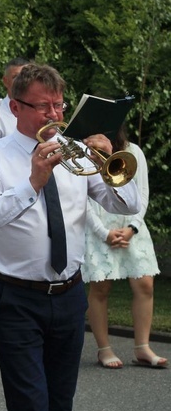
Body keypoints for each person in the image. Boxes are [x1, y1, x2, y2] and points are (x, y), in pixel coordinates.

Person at [0, 63, 141, 411]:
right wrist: (32, 183)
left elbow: (129, 205)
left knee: (58, 410)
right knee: (30, 410)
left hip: (68, 294)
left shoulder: (76, 154)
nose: (54, 116)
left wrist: (110, 159)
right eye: (43, 107)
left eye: (59, 106)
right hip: (15, 297)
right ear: (15, 108)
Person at [83, 127, 165, 369]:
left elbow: (142, 194)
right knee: (100, 288)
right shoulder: (85, 153)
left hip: (131, 227)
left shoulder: (133, 151)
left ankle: (142, 347)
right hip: (100, 228)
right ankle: (104, 349)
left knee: (145, 284)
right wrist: (103, 232)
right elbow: (83, 198)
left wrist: (132, 227)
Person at [0, 58, 30, 139]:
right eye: (16, 77)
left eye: (26, 76)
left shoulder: (42, 110)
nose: (22, 81)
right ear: (5, 81)